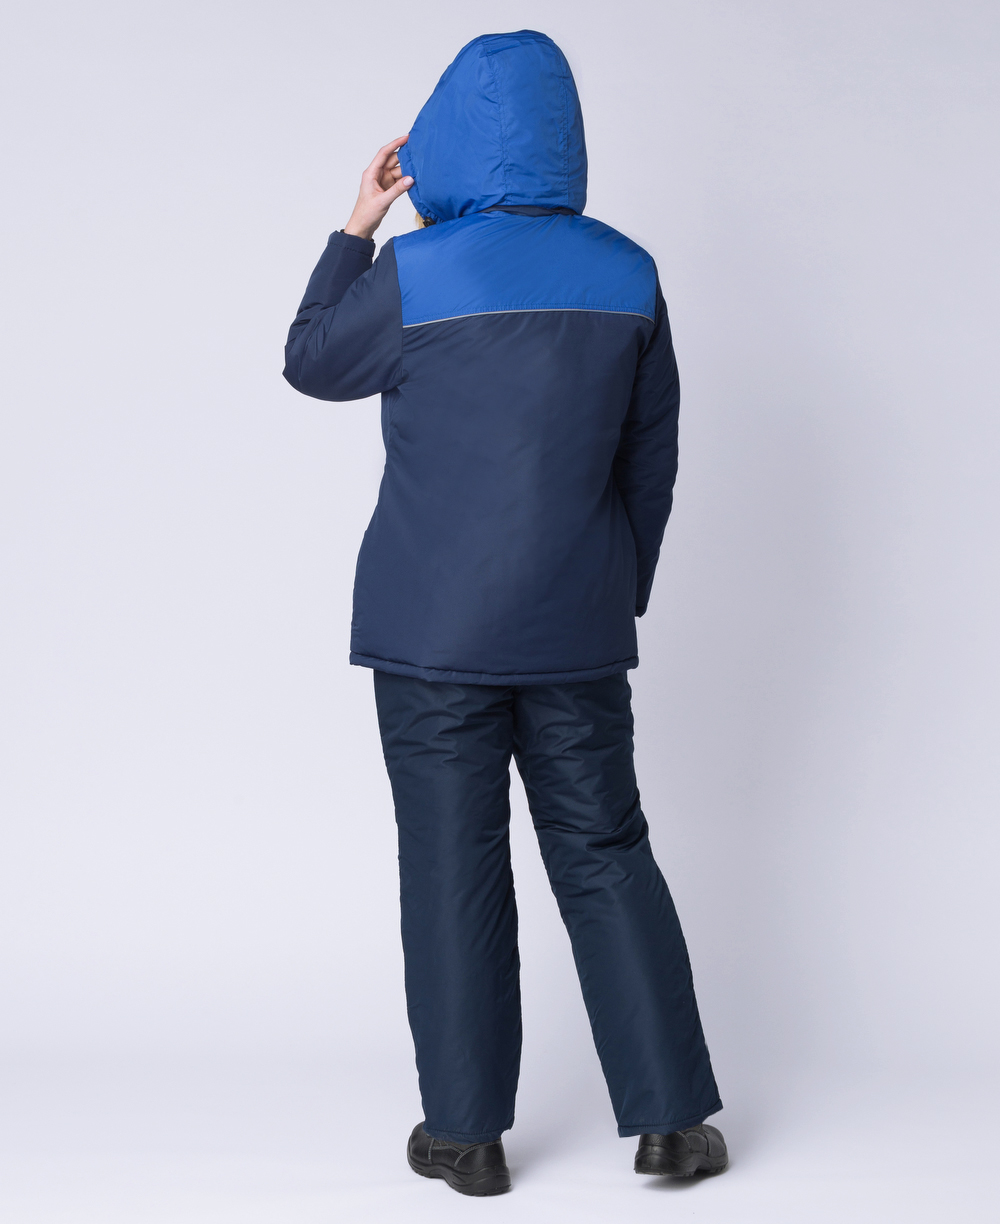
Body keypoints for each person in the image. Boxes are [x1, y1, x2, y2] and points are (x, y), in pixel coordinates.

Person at [283, 29, 727, 1197]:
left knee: (450, 862)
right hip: (574, 626)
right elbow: (650, 459)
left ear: (442, 139)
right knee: (605, 850)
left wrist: (356, 227)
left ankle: (466, 1137)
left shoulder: (414, 273)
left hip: (429, 635)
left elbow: (310, 361)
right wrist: (613, 593)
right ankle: (673, 1123)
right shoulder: (627, 271)